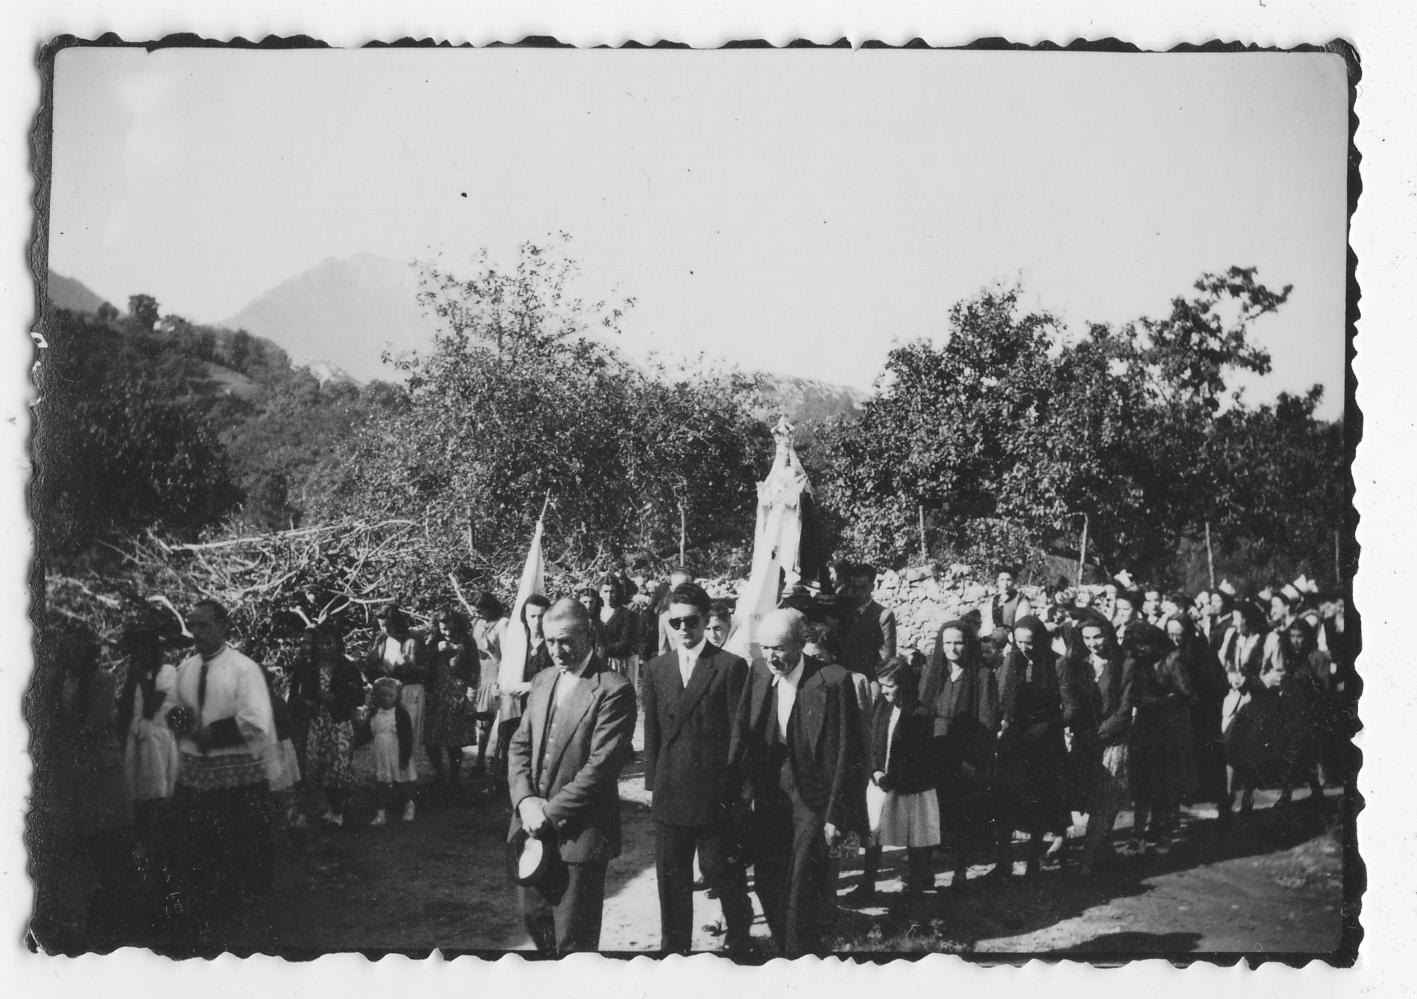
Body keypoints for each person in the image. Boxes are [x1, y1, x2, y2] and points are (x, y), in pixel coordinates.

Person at [507, 597, 637, 955]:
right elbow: (519, 744)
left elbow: (601, 768)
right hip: (531, 830)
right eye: (550, 641)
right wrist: (525, 800)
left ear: (589, 634)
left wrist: (549, 813)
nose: (557, 650)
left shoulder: (613, 689)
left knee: (573, 942)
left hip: (579, 835)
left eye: (566, 641)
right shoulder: (542, 679)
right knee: (535, 922)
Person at [736, 608, 866, 957]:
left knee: (800, 879)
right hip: (770, 788)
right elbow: (743, 732)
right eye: (765, 648)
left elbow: (848, 752)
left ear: (799, 644)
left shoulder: (833, 681)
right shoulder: (759, 671)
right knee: (767, 877)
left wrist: (836, 814)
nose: (771, 657)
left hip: (812, 792)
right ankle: (787, 945)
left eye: (778, 648)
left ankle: (799, 956)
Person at [641, 581, 753, 956]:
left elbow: (739, 735)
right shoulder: (656, 669)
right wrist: (654, 783)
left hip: (714, 794)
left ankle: (739, 937)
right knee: (672, 878)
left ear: (705, 620)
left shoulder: (729, 666)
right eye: (676, 623)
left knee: (721, 871)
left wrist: (735, 793)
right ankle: (674, 951)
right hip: (671, 792)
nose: (683, 629)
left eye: (691, 621)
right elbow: (653, 733)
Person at [168, 599, 275, 923]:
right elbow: (172, 706)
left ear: (223, 625)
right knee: (199, 844)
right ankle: (207, 907)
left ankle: (243, 911)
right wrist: (183, 723)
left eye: (204, 624)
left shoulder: (244, 669)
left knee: (238, 841)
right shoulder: (186, 668)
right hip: (195, 773)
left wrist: (214, 733)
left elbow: (257, 720)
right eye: (193, 624)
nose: (196, 632)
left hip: (235, 776)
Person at [847, 656, 939, 902]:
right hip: (881, 782)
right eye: (882, 684)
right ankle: (867, 884)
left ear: (905, 685)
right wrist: (876, 771)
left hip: (909, 787)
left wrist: (895, 780)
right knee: (874, 834)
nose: (884, 690)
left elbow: (916, 756)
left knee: (915, 836)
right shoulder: (882, 707)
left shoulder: (920, 714)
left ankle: (916, 886)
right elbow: (873, 743)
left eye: (890, 685)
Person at [918, 619, 998, 890]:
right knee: (931, 812)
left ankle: (960, 871)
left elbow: (987, 722)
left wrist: (972, 759)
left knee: (962, 813)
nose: (952, 649)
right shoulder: (934, 673)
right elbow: (922, 712)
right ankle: (926, 871)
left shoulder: (982, 676)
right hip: (934, 750)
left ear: (968, 645)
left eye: (958, 643)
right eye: (947, 643)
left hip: (963, 751)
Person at [993, 614, 1072, 877]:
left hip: (1044, 742)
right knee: (1006, 801)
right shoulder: (1011, 661)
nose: (1025, 648)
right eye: (1019, 642)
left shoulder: (1058, 663)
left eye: (1030, 642)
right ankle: (1004, 863)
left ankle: (1033, 862)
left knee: (1038, 802)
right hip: (1015, 740)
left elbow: (1070, 709)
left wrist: (1047, 725)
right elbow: (1002, 699)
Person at [1126, 623, 1198, 854]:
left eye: (1143, 646)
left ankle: (1163, 835)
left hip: (1169, 730)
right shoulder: (1140, 661)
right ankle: (1139, 835)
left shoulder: (1172, 660)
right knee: (1144, 784)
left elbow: (1189, 695)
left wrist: (1158, 702)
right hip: (1146, 728)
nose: (1140, 650)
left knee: (1166, 785)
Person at [288, 624, 363, 829]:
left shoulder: (347, 666)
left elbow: (359, 695)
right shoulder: (308, 666)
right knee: (320, 769)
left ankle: (339, 813)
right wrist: (307, 701)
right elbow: (298, 694)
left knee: (338, 767)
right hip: (316, 722)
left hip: (338, 722)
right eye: (320, 643)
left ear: (338, 644)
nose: (324, 647)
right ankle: (332, 807)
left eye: (329, 643)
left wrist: (335, 697)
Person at [1165, 614, 1233, 826]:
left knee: (1212, 763)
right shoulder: (1168, 654)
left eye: (1179, 635)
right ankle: (1173, 814)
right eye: (1170, 634)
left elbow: (1221, 685)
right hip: (1181, 720)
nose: (1175, 639)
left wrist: (1199, 697)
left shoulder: (1204, 653)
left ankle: (1223, 809)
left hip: (1204, 720)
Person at [117, 621, 180, 847]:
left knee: (156, 797)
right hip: (136, 739)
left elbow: (151, 709)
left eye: (140, 649)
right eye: (133, 650)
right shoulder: (135, 675)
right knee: (136, 798)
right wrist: (132, 678)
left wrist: (141, 678)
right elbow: (126, 711)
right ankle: (141, 846)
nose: (136, 654)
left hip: (156, 740)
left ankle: (157, 846)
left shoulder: (167, 672)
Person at [493, 594, 552, 778]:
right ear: (524, 616)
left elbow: (558, 675)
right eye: (532, 616)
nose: (537, 621)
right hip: (516, 704)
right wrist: (500, 683)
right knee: (512, 744)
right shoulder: (519, 641)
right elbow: (506, 666)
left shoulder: (552, 642)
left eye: (541, 616)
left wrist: (531, 686)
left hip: (542, 703)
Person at [364, 603, 429, 766]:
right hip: (387, 693)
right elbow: (369, 667)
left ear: (397, 622)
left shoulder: (413, 639)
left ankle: (405, 773)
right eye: (382, 626)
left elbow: (427, 670)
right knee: (388, 734)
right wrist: (373, 663)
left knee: (406, 735)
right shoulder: (381, 639)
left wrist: (409, 666)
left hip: (409, 692)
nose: (385, 630)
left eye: (388, 626)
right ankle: (390, 772)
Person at [425, 608, 479, 787]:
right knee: (431, 740)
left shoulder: (467, 641)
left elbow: (474, 670)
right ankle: (439, 774)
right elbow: (424, 663)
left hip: (457, 695)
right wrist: (435, 651)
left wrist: (470, 697)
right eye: (443, 629)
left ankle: (454, 778)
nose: (447, 633)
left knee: (454, 742)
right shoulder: (433, 640)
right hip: (436, 695)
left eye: (450, 629)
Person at [363, 677, 417, 825]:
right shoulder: (374, 714)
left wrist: (404, 758)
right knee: (380, 783)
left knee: (400, 783)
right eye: (383, 695)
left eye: (390, 695)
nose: (386, 698)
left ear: (397, 696)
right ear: (377, 696)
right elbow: (367, 733)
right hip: (381, 754)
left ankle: (409, 806)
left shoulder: (401, 714)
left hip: (396, 754)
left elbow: (407, 738)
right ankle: (380, 814)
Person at [469, 590, 510, 773]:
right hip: (479, 672)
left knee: (489, 720)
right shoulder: (478, 622)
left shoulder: (502, 624)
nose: (478, 615)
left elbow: (507, 655)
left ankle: (491, 762)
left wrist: (490, 650)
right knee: (479, 721)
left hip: (495, 672)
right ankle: (479, 759)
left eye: (480, 611)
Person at [837, 562, 897, 682]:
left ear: (872, 587)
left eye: (863, 587)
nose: (858, 592)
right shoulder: (844, 612)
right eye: (854, 587)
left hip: (870, 680)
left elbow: (886, 658)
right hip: (845, 677)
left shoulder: (883, 616)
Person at [597, 574, 641, 691]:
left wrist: (604, 650)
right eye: (605, 591)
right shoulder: (596, 614)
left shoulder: (626, 614)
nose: (609, 595)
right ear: (600, 592)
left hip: (619, 662)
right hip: (599, 663)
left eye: (612, 591)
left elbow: (626, 642)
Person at [656, 566, 695, 654]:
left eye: (686, 586)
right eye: (678, 587)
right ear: (672, 588)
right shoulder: (665, 616)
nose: (683, 591)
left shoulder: (703, 612)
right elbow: (663, 648)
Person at [984, 565, 1032, 632]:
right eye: (1002, 580)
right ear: (998, 581)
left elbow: (1022, 626)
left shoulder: (1021, 600)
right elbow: (988, 623)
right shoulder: (994, 599)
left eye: (1008, 580)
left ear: (1014, 581)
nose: (1005, 584)